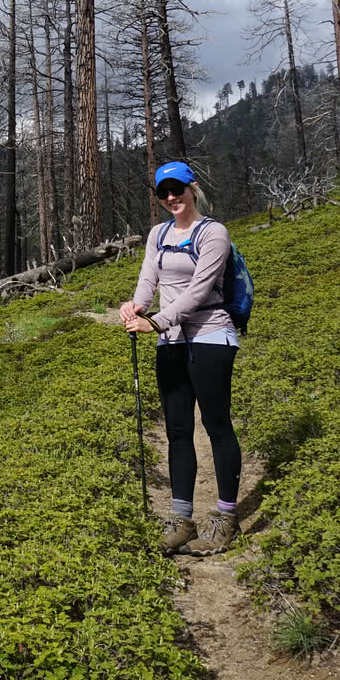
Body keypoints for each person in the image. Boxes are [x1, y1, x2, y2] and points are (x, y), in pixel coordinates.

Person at [119, 160, 242, 555]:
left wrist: (156, 323)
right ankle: (181, 518)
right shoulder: (158, 234)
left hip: (211, 336)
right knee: (176, 430)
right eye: (163, 192)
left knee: (217, 425)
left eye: (177, 189)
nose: (171, 198)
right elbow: (147, 281)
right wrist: (135, 307)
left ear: (193, 188)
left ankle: (225, 517)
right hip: (170, 341)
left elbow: (201, 291)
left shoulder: (214, 233)